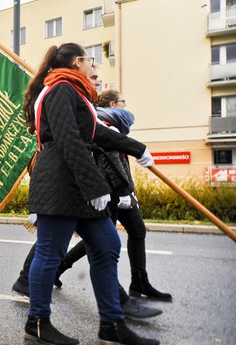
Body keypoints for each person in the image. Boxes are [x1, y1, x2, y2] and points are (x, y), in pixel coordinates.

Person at [21, 43, 159, 345]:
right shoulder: (59, 90)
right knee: (49, 253)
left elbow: (95, 131)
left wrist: (137, 148)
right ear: (77, 61)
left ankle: (111, 325)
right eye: (90, 61)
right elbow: (68, 139)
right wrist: (94, 186)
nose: (92, 69)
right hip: (59, 181)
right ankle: (38, 322)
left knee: (107, 244)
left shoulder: (73, 91)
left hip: (76, 179)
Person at [54, 90, 172, 300]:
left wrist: (130, 191)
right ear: (112, 104)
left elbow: (122, 160)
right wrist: (123, 192)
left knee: (135, 231)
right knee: (101, 239)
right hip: (111, 192)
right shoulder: (105, 122)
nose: (125, 105)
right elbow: (111, 159)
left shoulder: (113, 123)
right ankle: (62, 269)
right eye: (122, 102)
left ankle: (139, 282)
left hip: (122, 190)